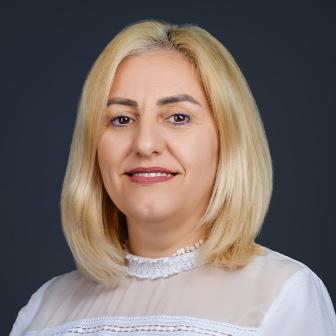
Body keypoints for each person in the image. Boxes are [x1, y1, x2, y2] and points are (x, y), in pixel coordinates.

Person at [10, 19, 336, 336]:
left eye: (178, 117)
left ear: (228, 140)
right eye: (121, 119)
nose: (145, 144)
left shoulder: (281, 294)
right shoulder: (46, 307)